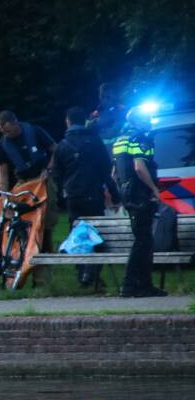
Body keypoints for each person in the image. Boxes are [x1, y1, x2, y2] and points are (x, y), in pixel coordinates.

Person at [53, 106, 120, 288]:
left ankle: (82, 271)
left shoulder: (62, 146)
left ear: (68, 121)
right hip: (93, 194)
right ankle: (91, 272)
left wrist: (60, 197)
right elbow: (106, 171)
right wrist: (115, 194)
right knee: (96, 233)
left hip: (73, 197)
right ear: (84, 121)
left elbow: (56, 175)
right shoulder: (95, 142)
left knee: (77, 232)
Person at [113, 107, 167, 297]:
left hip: (128, 194)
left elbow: (115, 173)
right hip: (140, 194)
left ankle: (139, 285)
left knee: (143, 240)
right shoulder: (140, 137)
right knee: (143, 241)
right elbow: (139, 167)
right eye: (146, 118)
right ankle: (132, 285)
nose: (149, 121)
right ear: (139, 120)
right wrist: (154, 189)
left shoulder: (120, 140)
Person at [0, 110, 59, 260]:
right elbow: (2, 173)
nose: (6, 134)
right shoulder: (2, 145)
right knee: (15, 214)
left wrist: (49, 169)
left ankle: (46, 249)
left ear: (15, 123)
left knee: (46, 217)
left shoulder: (35, 132)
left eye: (8, 130)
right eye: (2, 131)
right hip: (24, 182)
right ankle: (22, 251)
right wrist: (5, 195)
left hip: (42, 178)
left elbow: (56, 150)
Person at [88, 83, 127, 149]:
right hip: (102, 149)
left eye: (108, 97)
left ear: (114, 96)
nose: (105, 99)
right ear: (99, 96)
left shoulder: (122, 110)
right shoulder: (94, 114)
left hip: (120, 147)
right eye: (103, 96)